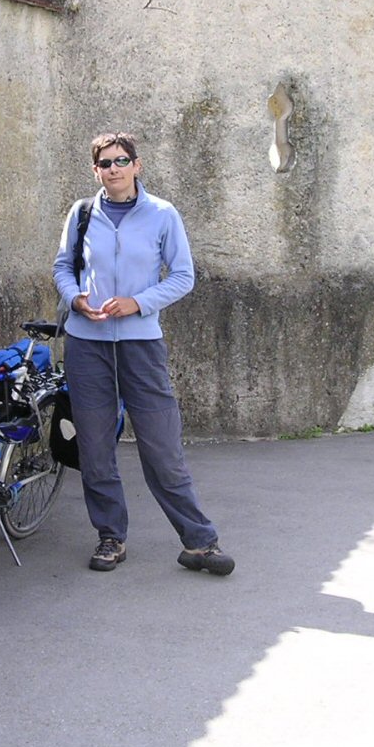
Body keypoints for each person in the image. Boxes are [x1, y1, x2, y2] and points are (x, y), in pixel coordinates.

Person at [52, 132, 233, 576]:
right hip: (87, 345)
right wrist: (75, 298)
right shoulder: (82, 213)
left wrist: (138, 303)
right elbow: (62, 267)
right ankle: (110, 537)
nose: (113, 169)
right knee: (95, 449)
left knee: (161, 447)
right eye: (105, 163)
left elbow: (183, 276)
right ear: (95, 170)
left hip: (141, 345)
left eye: (121, 161)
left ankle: (199, 542)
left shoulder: (162, 214)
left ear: (137, 165)